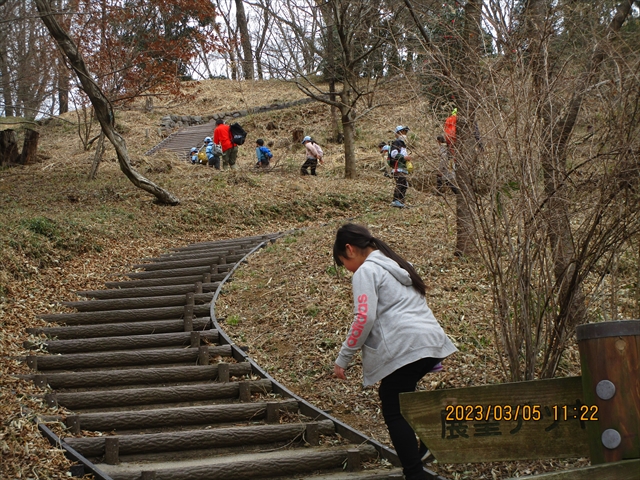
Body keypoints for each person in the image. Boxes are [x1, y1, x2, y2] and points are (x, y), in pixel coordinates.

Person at [332, 223, 457, 480]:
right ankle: (425, 443)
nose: (346, 268)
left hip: (406, 345)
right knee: (403, 397)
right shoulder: (398, 264)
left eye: (343, 261)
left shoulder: (366, 272)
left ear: (350, 249)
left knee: (392, 404)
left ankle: (414, 472)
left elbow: (364, 318)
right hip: (430, 341)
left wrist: (343, 359)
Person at [388, 139, 410, 208]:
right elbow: (394, 154)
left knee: (404, 185)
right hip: (397, 169)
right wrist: (403, 157)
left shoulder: (403, 146)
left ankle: (401, 201)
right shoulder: (396, 143)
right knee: (400, 184)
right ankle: (395, 200)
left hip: (403, 169)